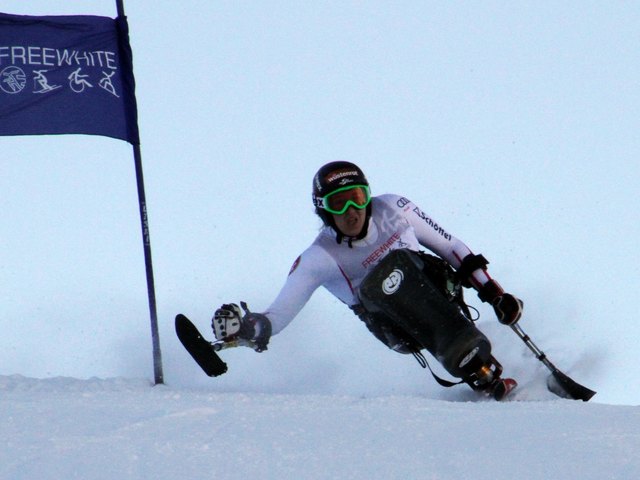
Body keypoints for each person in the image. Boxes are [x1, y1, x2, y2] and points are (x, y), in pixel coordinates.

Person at [213, 161, 523, 399]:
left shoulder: (394, 207)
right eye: (339, 204)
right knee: (389, 276)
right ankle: (473, 365)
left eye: (357, 198)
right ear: (324, 211)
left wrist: (493, 292)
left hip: (437, 289)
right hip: (395, 324)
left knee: (405, 265)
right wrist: (246, 329)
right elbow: (276, 317)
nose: (352, 212)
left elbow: (451, 247)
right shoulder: (318, 258)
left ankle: (482, 364)